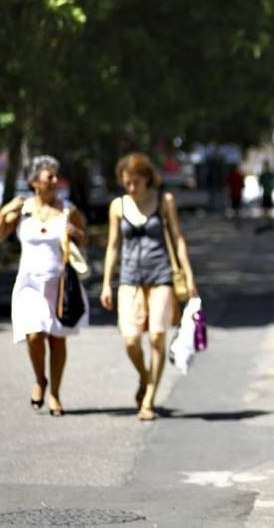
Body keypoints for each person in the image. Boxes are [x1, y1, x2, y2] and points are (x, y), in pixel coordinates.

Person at [0, 155, 88, 417]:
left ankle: (54, 393)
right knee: (34, 335)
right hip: (29, 284)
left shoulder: (68, 209)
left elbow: (84, 238)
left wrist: (75, 234)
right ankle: (40, 379)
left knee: (57, 339)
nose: (55, 181)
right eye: (49, 177)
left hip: (59, 284)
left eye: (56, 176)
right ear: (34, 182)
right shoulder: (23, 209)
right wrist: (3, 211)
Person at [100, 153, 199, 421]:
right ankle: (145, 377)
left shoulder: (164, 201)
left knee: (157, 336)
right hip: (130, 278)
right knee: (131, 340)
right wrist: (106, 283)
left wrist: (189, 277)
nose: (131, 188)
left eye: (136, 182)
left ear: (147, 179)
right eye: (127, 183)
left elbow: (178, 239)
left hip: (161, 275)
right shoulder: (118, 207)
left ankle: (149, 399)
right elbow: (113, 246)